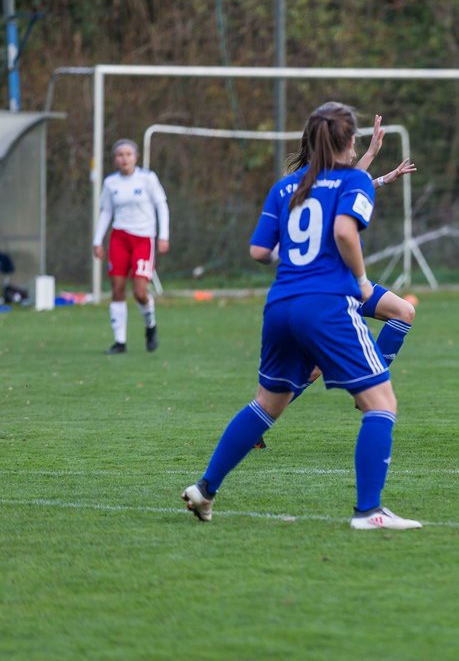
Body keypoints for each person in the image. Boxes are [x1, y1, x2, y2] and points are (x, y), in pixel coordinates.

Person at [182, 101, 420, 530]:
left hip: (280, 305)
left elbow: (258, 252)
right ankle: (370, 512)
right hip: (327, 304)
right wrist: (362, 280)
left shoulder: (287, 187)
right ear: (348, 142)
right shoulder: (355, 182)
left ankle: (204, 488)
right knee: (381, 403)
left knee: (268, 403)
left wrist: (295, 260)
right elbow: (345, 230)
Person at [253, 114, 417, 451]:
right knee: (311, 371)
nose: (354, 146)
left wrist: (381, 169)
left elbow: (355, 184)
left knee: (403, 311)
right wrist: (377, 167)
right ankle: (258, 422)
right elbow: (351, 188)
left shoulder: (328, 182)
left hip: (347, 286)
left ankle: (370, 383)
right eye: (351, 141)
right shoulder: (321, 184)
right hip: (332, 288)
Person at [92, 138, 170, 354]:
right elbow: (106, 211)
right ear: (115, 159)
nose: (124, 158)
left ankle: (150, 325)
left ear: (135, 157)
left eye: (128, 154)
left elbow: (161, 206)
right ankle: (120, 342)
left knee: (139, 292)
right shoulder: (111, 183)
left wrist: (163, 236)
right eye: (120, 155)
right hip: (119, 237)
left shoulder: (147, 179)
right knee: (117, 288)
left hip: (143, 238)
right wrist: (97, 240)